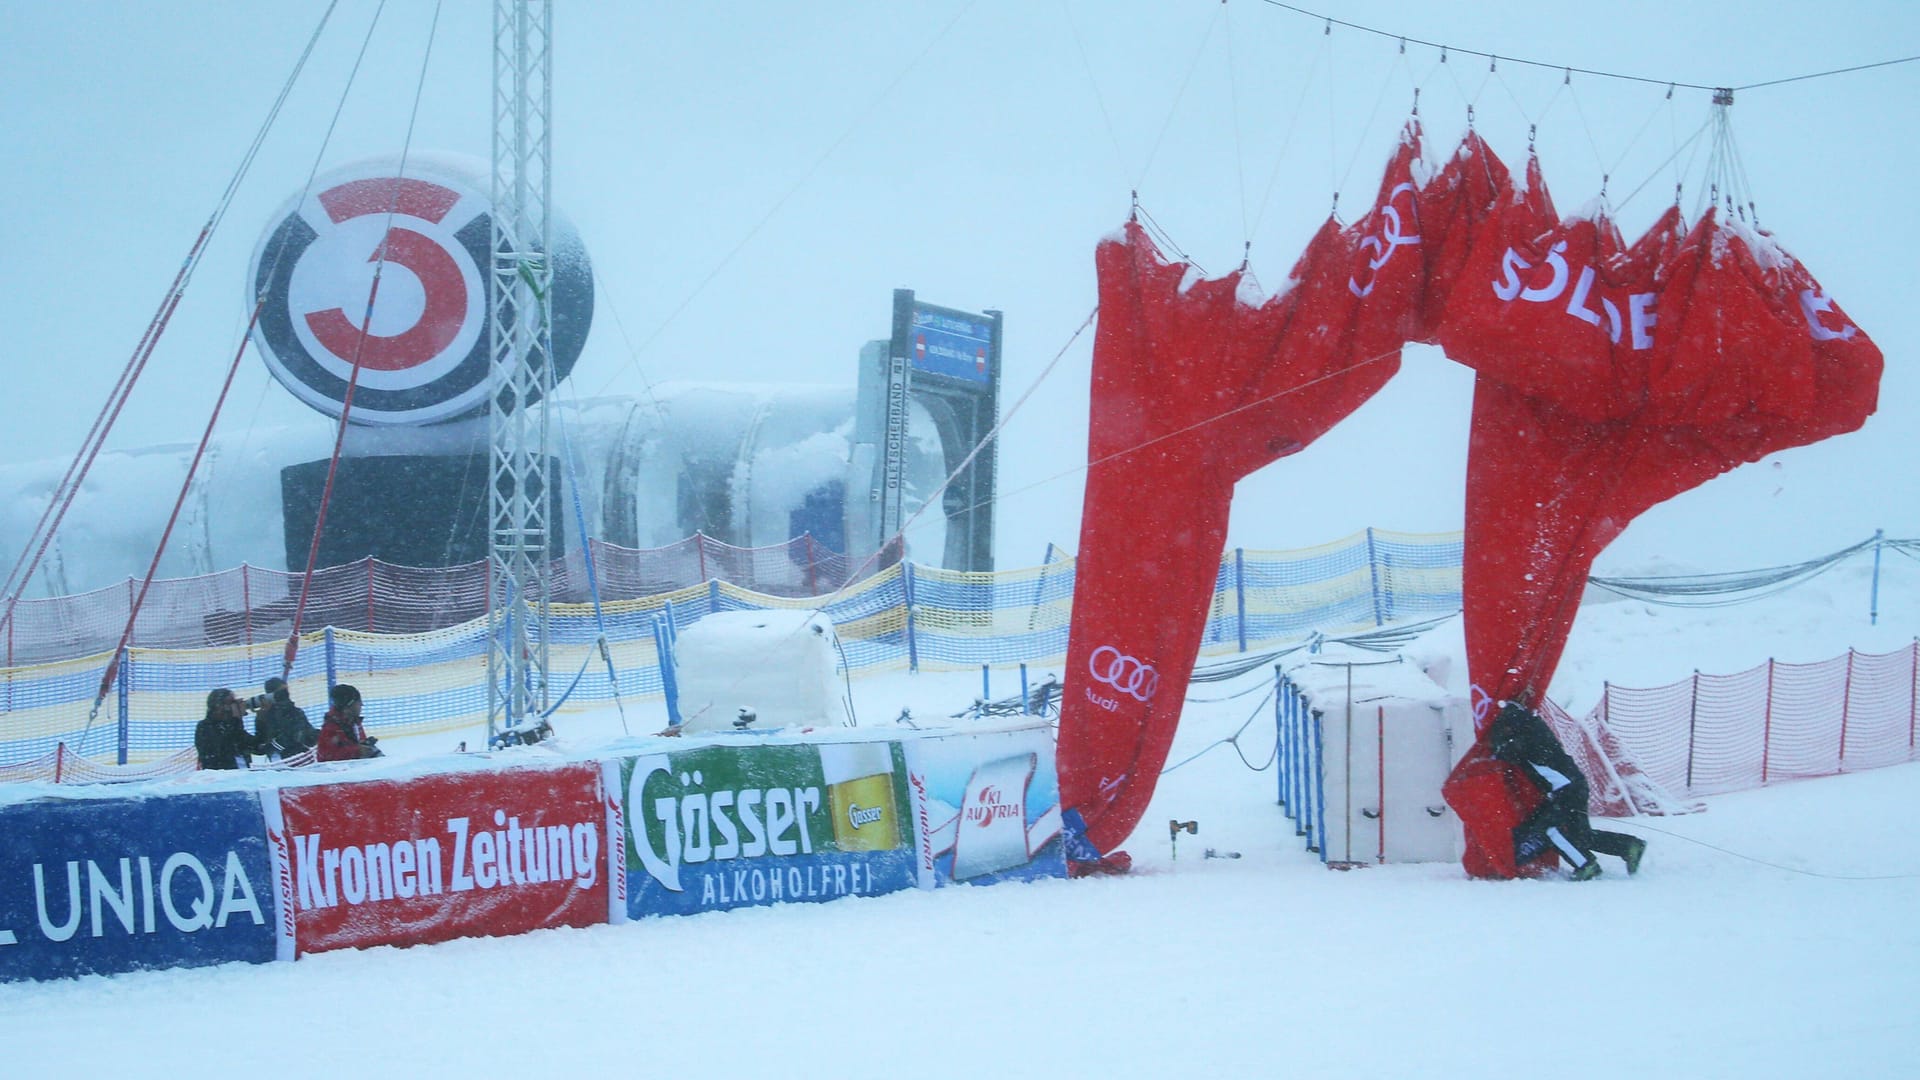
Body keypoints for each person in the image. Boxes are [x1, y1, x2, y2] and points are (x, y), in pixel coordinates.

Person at [1487, 700, 1647, 881]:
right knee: (1581, 835)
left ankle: (1585, 865)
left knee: (1548, 829)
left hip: (1566, 791)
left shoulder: (1524, 739)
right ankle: (1629, 846)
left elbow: (1503, 751)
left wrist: (1494, 741)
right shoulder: (1534, 729)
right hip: (1573, 786)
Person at [253, 676, 318, 761]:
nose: (286, 694)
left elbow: (307, 732)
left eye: (286, 690)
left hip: (302, 756)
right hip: (282, 759)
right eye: (282, 691)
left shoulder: (295, 711)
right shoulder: (266, 715)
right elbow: (263, 740)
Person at [316, 683, 382, 762]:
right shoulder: (331, 728)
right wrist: (357, 751)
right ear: (349, 706)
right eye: (359, 702)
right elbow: (326, 756)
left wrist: (364, 745)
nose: (361, 705)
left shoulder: (354, 721)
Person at [195, 688, 255, 770]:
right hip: (220, 778)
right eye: (231, 703)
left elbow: (257, 747)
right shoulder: (204, 727)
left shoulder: (233, 726)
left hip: (242, 777)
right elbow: (222, 750)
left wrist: (262, 717)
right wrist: (236, 719)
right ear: (218, 705)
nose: (233, 706)